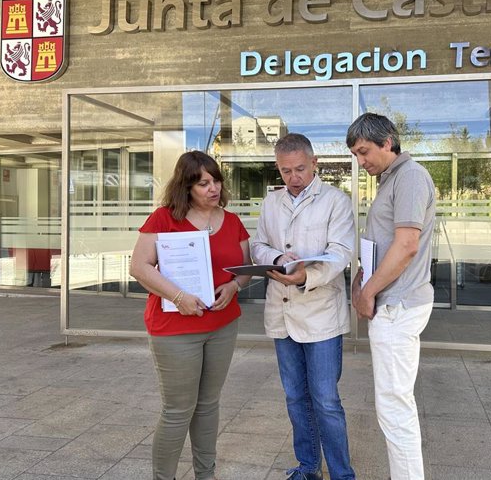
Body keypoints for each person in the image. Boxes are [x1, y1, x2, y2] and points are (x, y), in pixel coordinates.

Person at [130, 150, 251, 480]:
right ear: (186, 187)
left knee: (209, 404)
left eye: (216, 181)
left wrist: (235, 287)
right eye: (203, 183)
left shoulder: (233, 221)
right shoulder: (163, 219)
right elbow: (139, 267)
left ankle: (205, 475)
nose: (213, 188)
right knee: (178, 410)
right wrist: (178, 296)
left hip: (222, 325)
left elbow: (244, 271)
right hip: (174, 328)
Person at [251, 134, 356, 480]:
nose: (293, 177)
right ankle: (308, 467)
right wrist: (278, 257)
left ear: (314, 163)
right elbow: (258, 245)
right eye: (285, 171)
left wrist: (304, 277)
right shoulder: (271, 203)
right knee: (295, 397)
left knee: (325, 400)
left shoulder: (336, 201)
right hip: (282, 313)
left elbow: (341, 253)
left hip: (320, 312)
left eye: (299, 169)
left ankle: (342, 474)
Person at [346, 113, 435, 480]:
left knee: (395, 408)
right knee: (393, 405)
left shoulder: (410, 177)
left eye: (364, 152)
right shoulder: (391, 180)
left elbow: (407, 245)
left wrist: (368, 291)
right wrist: (362, 278)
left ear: (388, 142)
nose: (360, 161)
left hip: (398, 306)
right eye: (355, 154)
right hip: (391, 303)